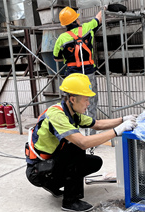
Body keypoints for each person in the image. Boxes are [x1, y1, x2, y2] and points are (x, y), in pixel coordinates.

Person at [25, 73, 138, 212]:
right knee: (75, 147)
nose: (88, 103)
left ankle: (54, 185)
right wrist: (117, 131)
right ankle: (70, 201)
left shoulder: (72, 113)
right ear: (72, 99)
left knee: (94, 162)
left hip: (50, 165)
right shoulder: (57, 115)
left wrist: (123, 119)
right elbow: (83, 142)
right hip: (38, 172)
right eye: (86, 99)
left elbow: (97, 124)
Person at [53, 6, 103, 136]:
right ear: (77, 20)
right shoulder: (87, 28)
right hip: (88, 73)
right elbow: (99, 18)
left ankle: (71, 135)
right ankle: (90, 137)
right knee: (89, 103)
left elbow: (56, 58)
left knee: (70, 105)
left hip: (72, 77)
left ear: (64, 25)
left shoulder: (61, 38)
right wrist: (106, 7)